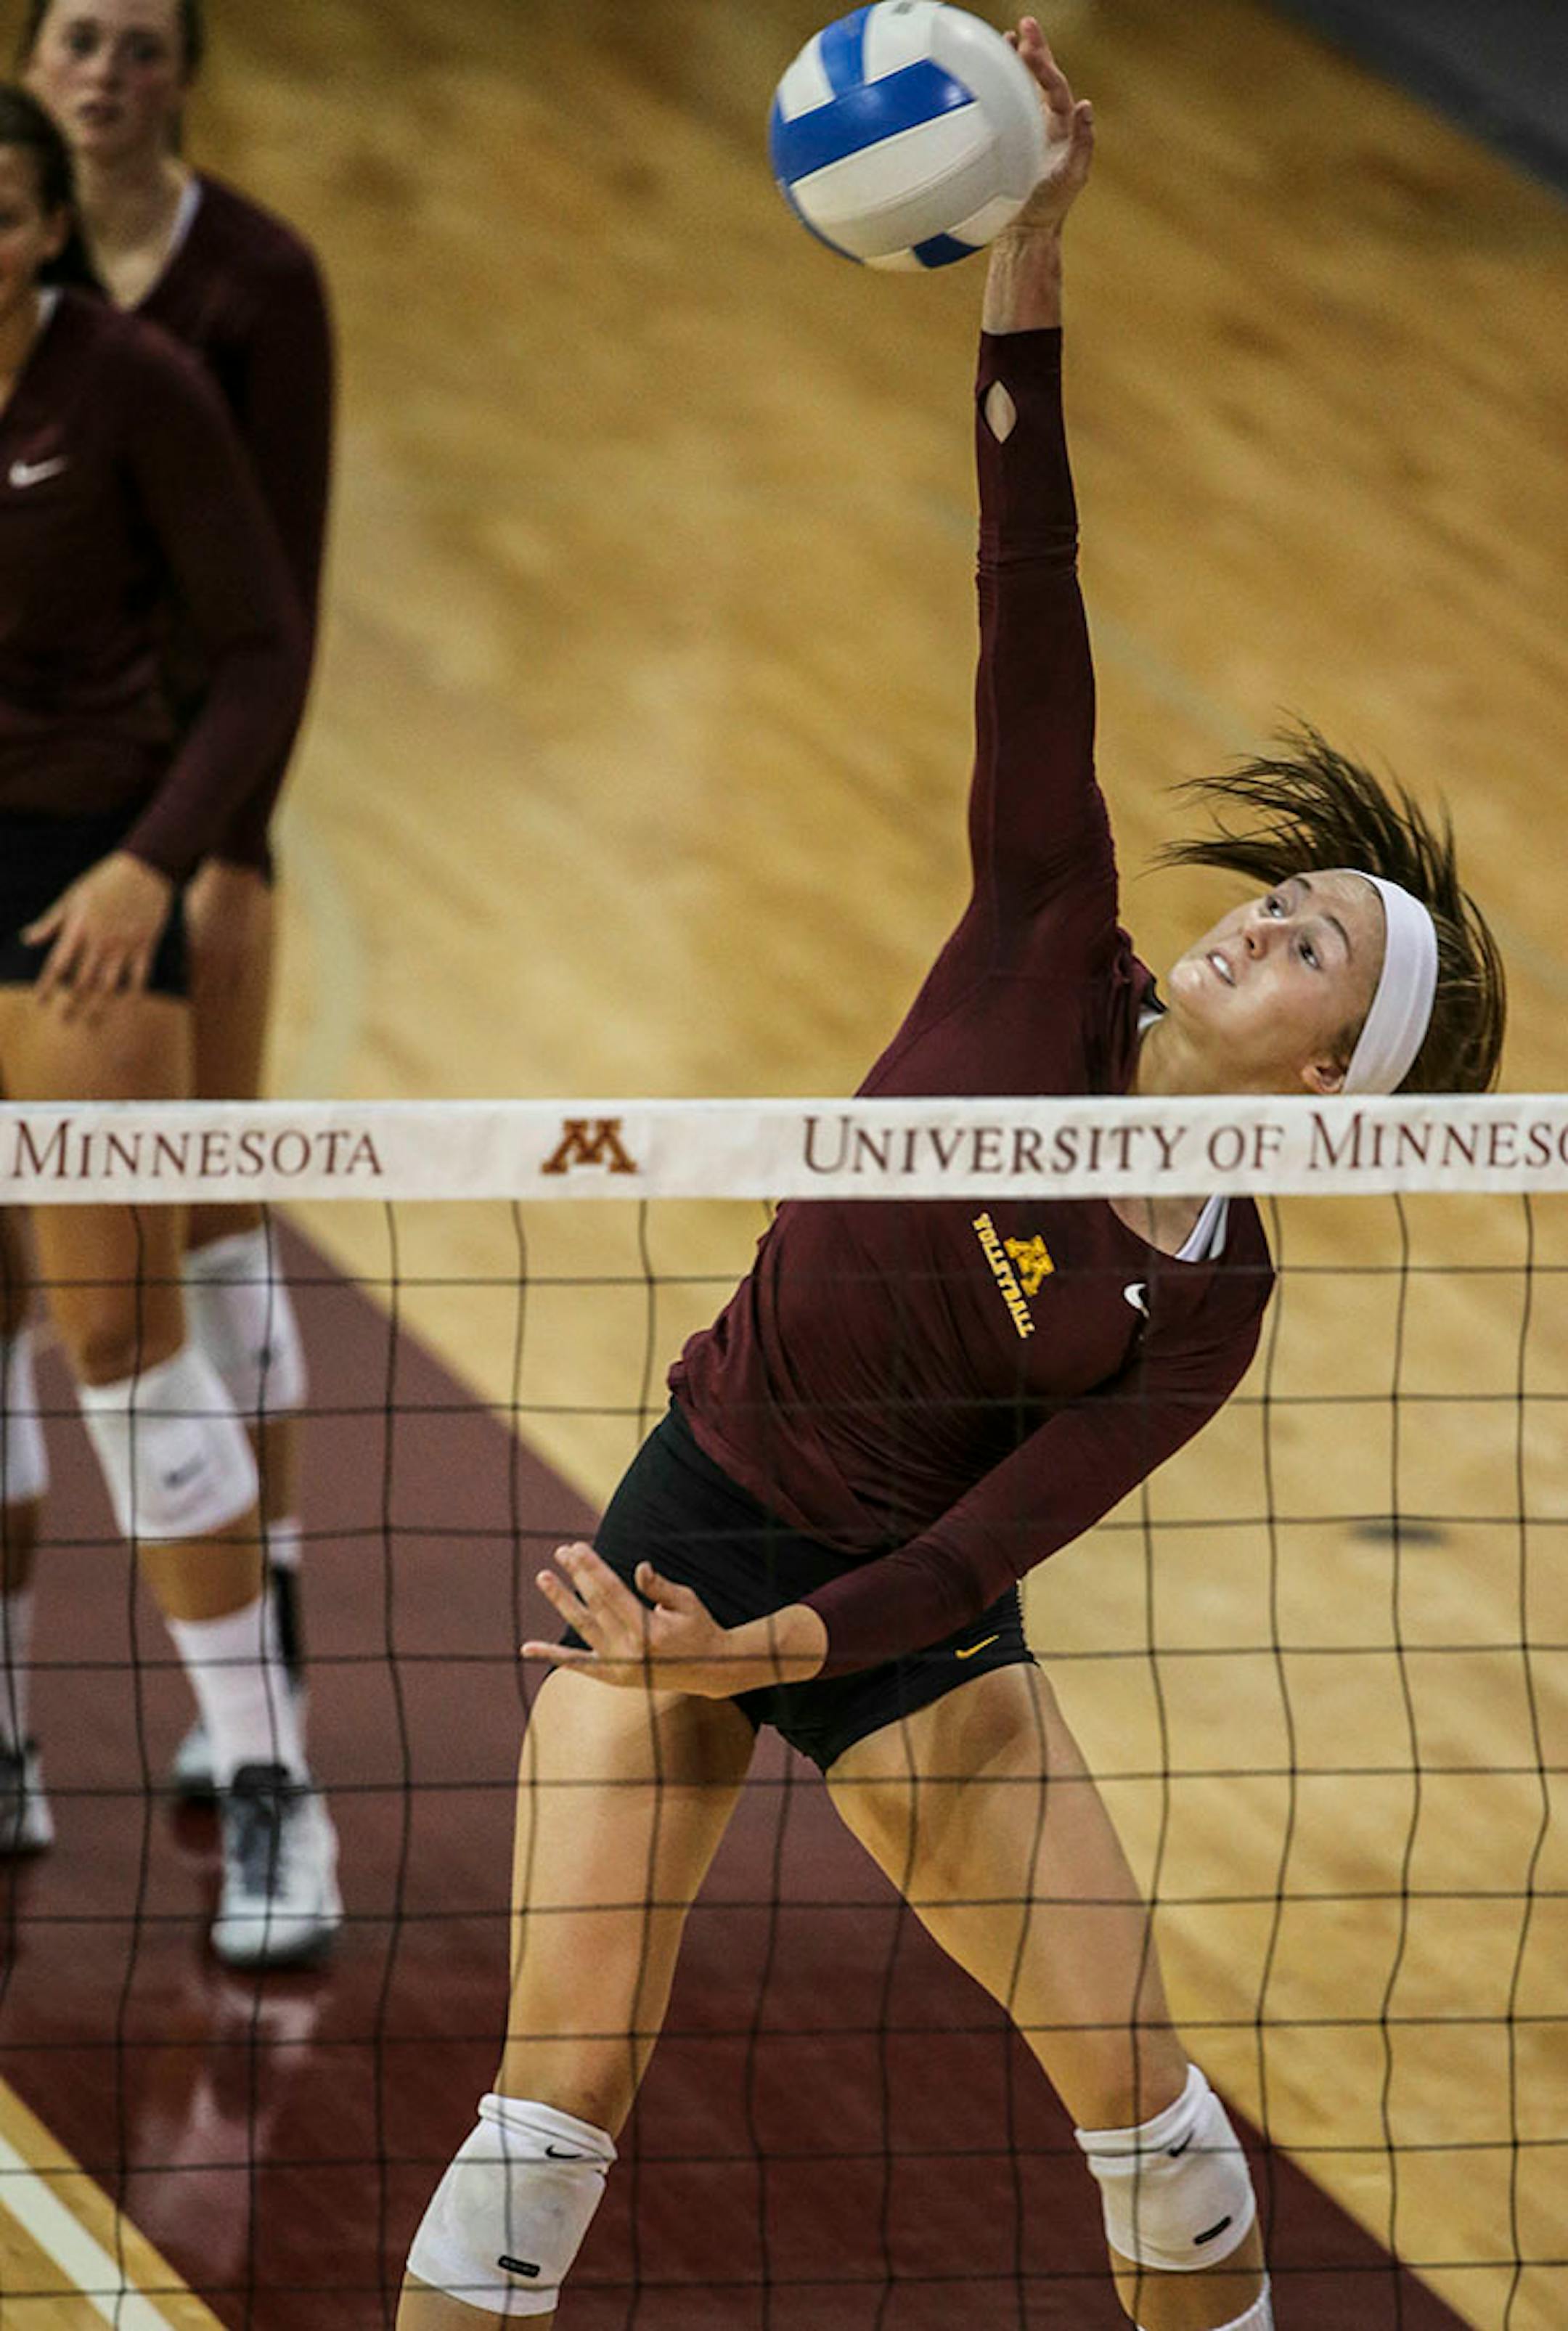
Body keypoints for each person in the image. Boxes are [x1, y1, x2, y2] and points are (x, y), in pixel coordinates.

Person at [397, 23, 1504, 2328]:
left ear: (1329, 1087)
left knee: (1168, 2145)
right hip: (688, 1528)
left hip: (910, 1624)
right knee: (541, 2133)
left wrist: (787, 1653)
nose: (1256, 913)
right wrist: (1033, 266)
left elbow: (991, 1541)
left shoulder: (1204, 1302)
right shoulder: (1040, 928)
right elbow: (1034, 580)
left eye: (1311, 943)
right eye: (1276, 893)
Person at [0, 83, 340, 1964]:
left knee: (123, 1330)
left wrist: (151, 864)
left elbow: (265, 647)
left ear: (45, 228)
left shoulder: (132, 386)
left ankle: (274, 1779)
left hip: (75, 886)